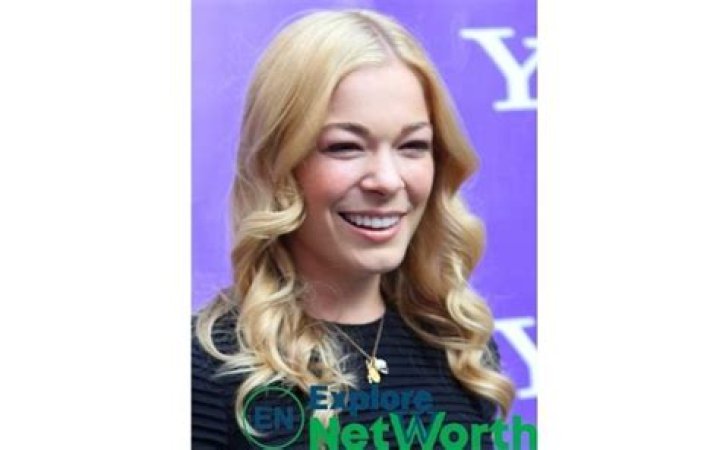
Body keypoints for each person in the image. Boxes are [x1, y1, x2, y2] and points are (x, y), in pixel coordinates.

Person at [192, 9, 515, 449]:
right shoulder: (204, 370)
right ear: (279, 166)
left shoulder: (460, 348)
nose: (387, 180)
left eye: (412, 146)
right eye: (345, 146)